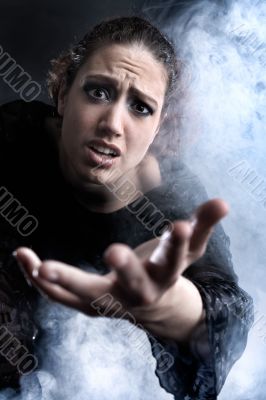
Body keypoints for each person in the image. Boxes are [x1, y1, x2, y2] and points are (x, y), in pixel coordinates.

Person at [0, 16, 253, 400]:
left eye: (140, 107)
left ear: (160, 128)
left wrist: (173, 308)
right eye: (99, 92)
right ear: (64, 93)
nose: (113, 124)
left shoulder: (175, 202)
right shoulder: (10, 137)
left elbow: (228, 312)